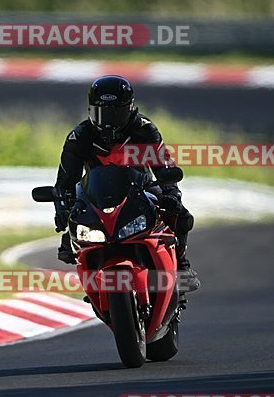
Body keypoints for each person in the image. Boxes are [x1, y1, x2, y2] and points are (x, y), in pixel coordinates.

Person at [53, 75, 200, 297]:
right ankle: (94, 281)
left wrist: (171, 193)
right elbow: (65, 181)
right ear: (90, 111)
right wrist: (62, 208)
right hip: (97, 197)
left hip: (141, 189)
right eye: (102, 114)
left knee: (181, 216)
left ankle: (181, 265)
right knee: (70, 240)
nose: (108, 122)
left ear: (129, 109)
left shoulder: (144, 129)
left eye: (116, 113)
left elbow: (164, 165)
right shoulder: (79, 137)